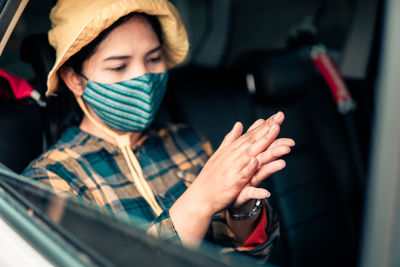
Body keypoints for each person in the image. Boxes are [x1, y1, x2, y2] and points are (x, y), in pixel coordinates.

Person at [23, 0, 295, 261]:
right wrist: (200, 200)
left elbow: (253, 255)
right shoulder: (52, 179)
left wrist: (242, 210)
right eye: (119, 66)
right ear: (74, 80)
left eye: (153, 59)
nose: (143, 77)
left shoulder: (187, 140)